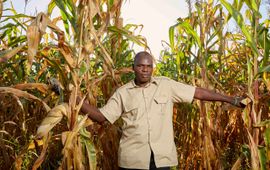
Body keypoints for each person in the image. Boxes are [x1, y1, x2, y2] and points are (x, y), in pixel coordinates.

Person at [78, 51, 245, 170]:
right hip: (132, 161)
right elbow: (102, 117)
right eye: (141, 66)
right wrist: (77, 101)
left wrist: (231, 99)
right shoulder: (122, 93)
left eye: (149, 66)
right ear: (133, 67)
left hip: (161, 159)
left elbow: (198, 92)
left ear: (152, 68)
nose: (145, 69)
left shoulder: (166, 85)